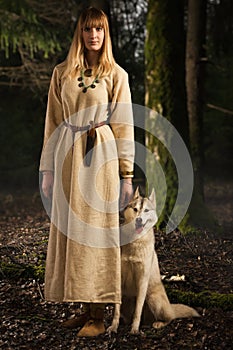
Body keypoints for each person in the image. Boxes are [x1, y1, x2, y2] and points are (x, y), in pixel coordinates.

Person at [39, 7, 134, 337]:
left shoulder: (116, 75)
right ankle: (83, 306)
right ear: (79, 33)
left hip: (101, 158)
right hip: (68, 154)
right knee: (72, 232)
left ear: (106, 34)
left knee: (96, 231)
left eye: (100, 30)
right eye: (88, 30)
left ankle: (99, 312)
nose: (94, 36)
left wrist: (126, 176)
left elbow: (123, 126)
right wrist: (47, 170)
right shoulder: (62, 72)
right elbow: (52, 123)